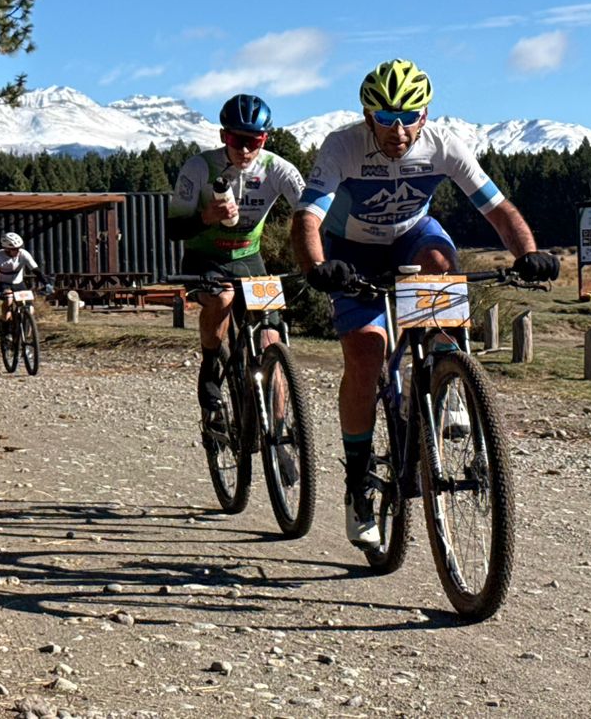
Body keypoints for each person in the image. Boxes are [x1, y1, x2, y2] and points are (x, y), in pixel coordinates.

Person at [289, 58, 559, 548]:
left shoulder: (444, 145)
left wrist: (530, 253)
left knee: (439, 257)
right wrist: (317, 268)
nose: (398, 130)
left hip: (412, 236)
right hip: (350, 250)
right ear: (368, 116)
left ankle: (441, 374)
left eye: (409, 117)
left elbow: (497, 208)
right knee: (367, 352)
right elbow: (307, 217)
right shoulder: (343, 146)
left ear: (426, 114)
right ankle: (357, 486)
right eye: (386, 119)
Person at [166, 93, 305, 411]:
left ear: (264, 139)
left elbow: (311, 214)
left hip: (248, 257)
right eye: (234, 139)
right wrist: (205, 218)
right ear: (222, 136)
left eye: (252, 141)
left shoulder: (279, 169)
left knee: (272, 340)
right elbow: (173, 230)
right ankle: (210, 367)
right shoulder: (199, 168)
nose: (243, 150)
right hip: (205, 256)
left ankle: (280, 439)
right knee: (222, 298)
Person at [0, 232, 46, 323]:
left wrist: (46, 283)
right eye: (14, 249)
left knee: (29, 308)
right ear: (6, 249)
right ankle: (6, 327)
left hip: (18, 283)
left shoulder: (23, 254)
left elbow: (36, 270)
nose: (17, 251)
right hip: (4, 284)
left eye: (19, 248)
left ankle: (26, 329)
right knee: (9, 299)